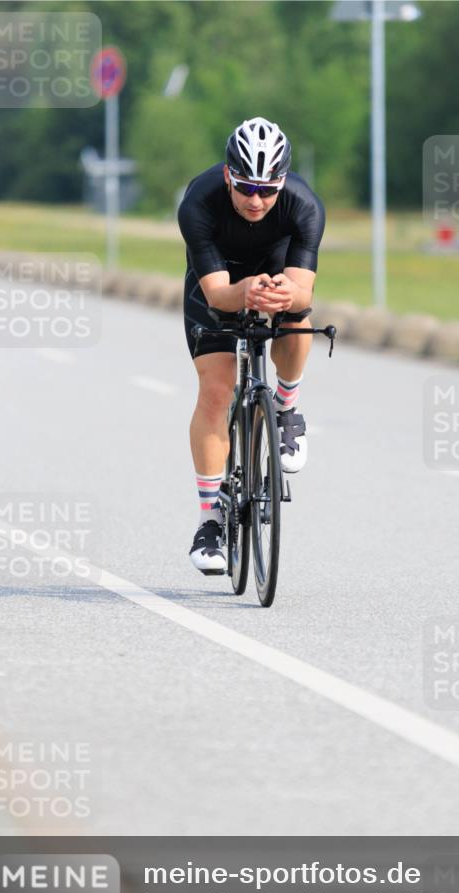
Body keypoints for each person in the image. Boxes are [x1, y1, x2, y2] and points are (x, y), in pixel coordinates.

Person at [177, 116, 326, 575]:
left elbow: (304, 292)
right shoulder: (199, 203)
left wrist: (284, 297)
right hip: (218, 280)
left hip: (276, 264)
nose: (257, 199)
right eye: (245, 187)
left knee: (298, 319)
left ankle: (286, 406)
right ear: (228, 175)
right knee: (218, 391)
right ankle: (211, 520)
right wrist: (243, 292)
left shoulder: (303, 206)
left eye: (268, 189)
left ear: (283, 182)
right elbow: (220, 294)